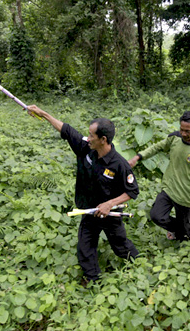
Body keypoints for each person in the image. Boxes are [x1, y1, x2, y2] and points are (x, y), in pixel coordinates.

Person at [27, 105, 139, 286]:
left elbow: (132, 191)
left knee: (120, 246)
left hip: (109, 214)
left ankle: (138, 265)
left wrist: (110, 203)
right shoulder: (86, 148)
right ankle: (93, 279)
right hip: (88, 210)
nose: (88, 138)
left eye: (92, 135)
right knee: (85, 247)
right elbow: (66, 129)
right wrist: (44, 114)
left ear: (103, 139)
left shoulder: (119, 165)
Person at [128, 111, 190, 241]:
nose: (183, 134)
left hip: (187, 197)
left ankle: (182, 234)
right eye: (181, 129)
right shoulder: (175, 138)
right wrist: (139, 156)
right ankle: (177, 229)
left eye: (188, 131)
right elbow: (157, 147)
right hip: (169, 188)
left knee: (184, 236)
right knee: (156, 216)